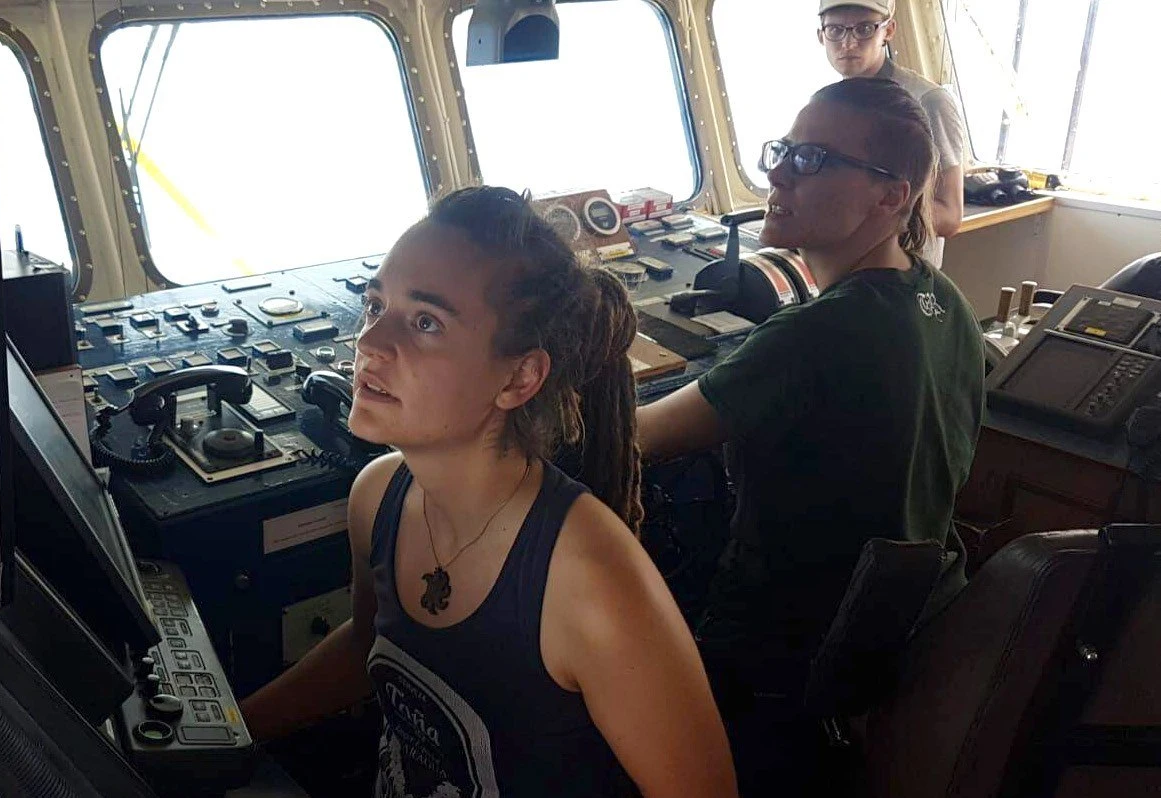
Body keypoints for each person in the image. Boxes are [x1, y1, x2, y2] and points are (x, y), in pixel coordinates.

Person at [242, 186, 736, 798]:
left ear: (519, 377)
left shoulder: (591, 579)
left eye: (425, 322)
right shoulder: (380, 496)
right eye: (376, 305)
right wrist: (230, 735)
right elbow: (369, 648)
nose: (370, 343)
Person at [637, 78, 985, 793]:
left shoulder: (821, 333)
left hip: (778, 660)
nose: (778, 173)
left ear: (891, 197)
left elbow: (634, 439)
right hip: (902, 634)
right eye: (785, 152)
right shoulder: (941, 299)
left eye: (813, 160)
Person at [818, 0, 967, 266]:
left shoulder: (928, 100)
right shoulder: (827, 105)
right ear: (821, 35)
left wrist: (865, 211)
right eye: (836, 30)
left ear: (888, 31)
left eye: (864, 29)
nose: (849, 43)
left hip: (905, 281)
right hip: (847, 273)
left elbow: (950, 215)